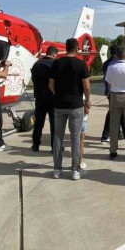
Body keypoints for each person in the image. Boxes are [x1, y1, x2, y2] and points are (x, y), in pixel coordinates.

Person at [49, 38, 91, 179]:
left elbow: (51, 85)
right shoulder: (81, 64)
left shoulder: (56, 63)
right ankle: (75, 170)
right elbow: (86, 86)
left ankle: (57, 169)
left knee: (58, 137)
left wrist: (59, 95)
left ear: (66, 48)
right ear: (77, 48)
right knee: (75, 137)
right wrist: (88, 100)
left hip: (59, 105)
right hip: (75, 105)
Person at [31, 46, 58, 152]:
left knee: (38, 123)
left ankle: (35, 145)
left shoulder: (36, 64)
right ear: (54, 54)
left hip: (39, 97)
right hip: (52, 98)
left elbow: (33, 80)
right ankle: (54, 146)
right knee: (54, 123)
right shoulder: (55, 64)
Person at [101, 46, 125, 144]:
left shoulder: (106, 63)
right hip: (116, 92)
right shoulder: (116, 63)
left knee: (114, 112)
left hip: (109, 91)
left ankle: (116, 133)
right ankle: (107, 134)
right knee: (114, 113)